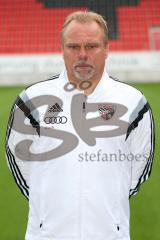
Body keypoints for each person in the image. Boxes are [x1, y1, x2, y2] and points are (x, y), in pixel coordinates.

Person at [6, 11, 154, 240]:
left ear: (106, 49)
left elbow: (138, 167)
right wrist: (46, 201)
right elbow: (19, 161)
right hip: (47, 235)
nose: (82, 55)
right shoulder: (31, 101)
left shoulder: (134, 103)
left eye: (92, 46)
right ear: (62, 49)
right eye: (73, 47)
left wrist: (108, 207)